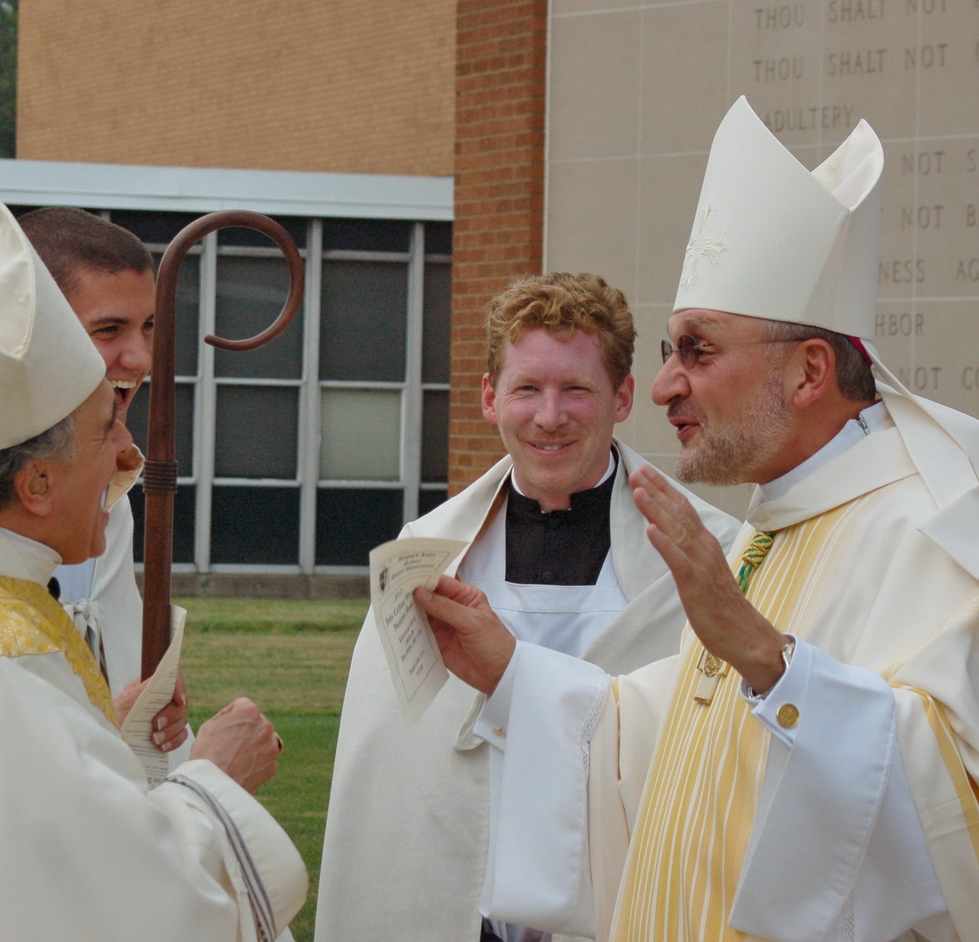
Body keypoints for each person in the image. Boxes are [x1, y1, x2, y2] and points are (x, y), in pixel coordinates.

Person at [415, 97, 979, 941]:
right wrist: (518, 677)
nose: (666, 386)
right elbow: (683, 744)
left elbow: (949, 810)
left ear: (808, 371)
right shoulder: (774, 523)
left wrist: (762, 654)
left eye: (697, 350)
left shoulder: (932, 529)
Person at [0, 201, 306, 941]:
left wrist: (100, 730)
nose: (130, 460)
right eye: (108, 434)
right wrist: (212, 779)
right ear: (34, 483)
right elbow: (120, 897)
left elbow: (0, 805)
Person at [315, 273, 739, 942]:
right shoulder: (423, 557)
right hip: (456, 904)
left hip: (621, 902)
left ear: (622, 397)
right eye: (525, 389)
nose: (549, 416)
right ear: (489, 398)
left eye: (575, 389)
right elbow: (382, 779)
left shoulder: (710, 557)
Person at [17, 206, 191, 764]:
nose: (141, 359)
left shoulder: (108, 489)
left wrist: (150, 719)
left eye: (150, 328)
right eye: (109, 330)